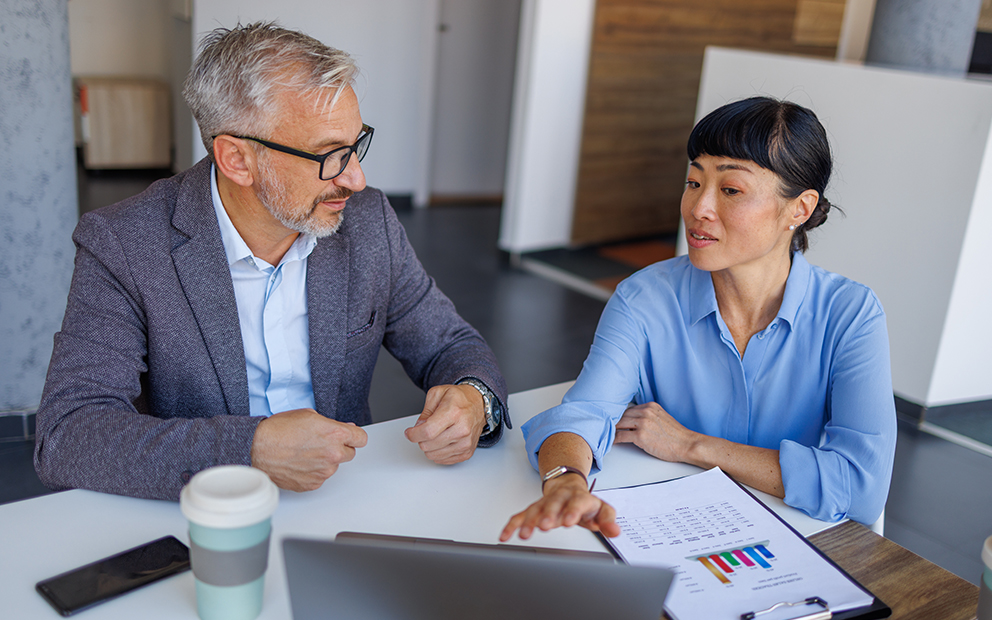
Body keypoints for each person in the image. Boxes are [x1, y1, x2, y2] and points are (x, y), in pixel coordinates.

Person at [34, 22, 508, 501]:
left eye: (356, 145)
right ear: (237, 159)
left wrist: (474, 399)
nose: (358, 179)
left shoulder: (369, 222)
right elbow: (68, 434)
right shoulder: (123, 244)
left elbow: (449, 344)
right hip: (202, 516)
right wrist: (249, 449)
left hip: (342, 500)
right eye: (329, 155)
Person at [501, 97, 896, 542]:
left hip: (794, 542)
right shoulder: (644, 298)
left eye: (730, 190)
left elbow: (862, 487)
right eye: (693, 182)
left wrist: (692, 445)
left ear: (799, 209)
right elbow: (583, 414)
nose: (698, 208)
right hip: (670, 536)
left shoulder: (851, 315)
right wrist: (566, 480)